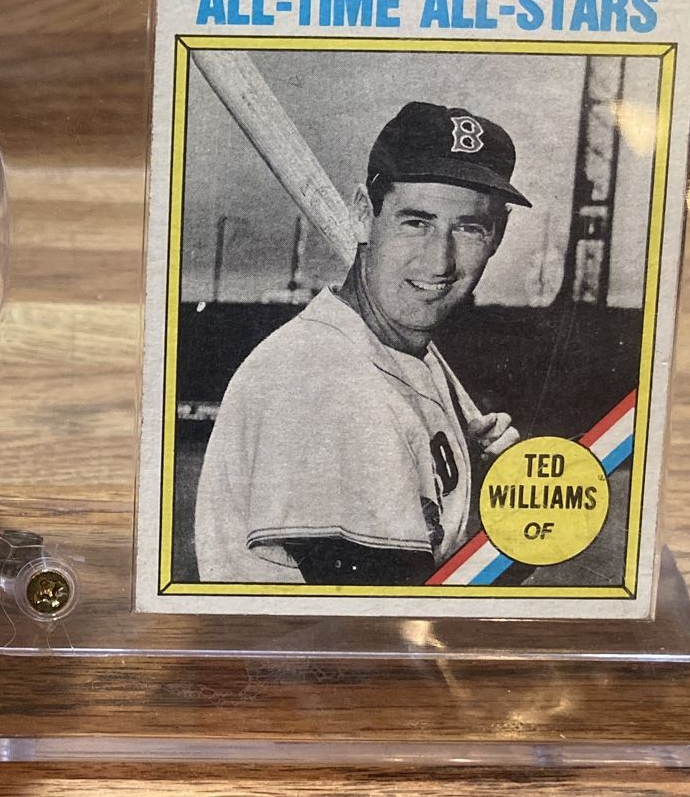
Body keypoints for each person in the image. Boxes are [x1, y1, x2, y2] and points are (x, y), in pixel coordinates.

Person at [194, 101, 529, 585]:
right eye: (417, 221)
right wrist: (523, 537)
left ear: (497, 236)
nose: (441, 261)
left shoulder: (396, 354)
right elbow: (389, 627)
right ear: (362, 214)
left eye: (469, 228)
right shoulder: (325, 379)